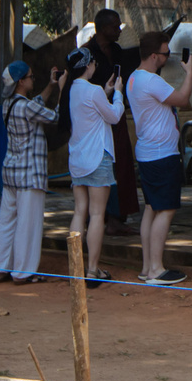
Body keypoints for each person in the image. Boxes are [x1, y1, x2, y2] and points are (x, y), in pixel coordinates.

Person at [126, 29, 192, 285]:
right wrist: (189, 73)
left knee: (151, 208)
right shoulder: (151, 81)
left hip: (147, 152)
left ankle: (148, 267)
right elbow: (183, 99)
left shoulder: (133, 78)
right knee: (165, 209)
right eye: (166, 54)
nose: (168, 58)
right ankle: (156, 268)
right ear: (155, 55)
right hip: (161, 154)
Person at [0, 59, 65, 284]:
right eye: (31, 77)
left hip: (11, 172)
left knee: (6, 221)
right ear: (21, 81)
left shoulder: (8, 104)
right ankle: (23, 272)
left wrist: (50, 87)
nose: (34, 79)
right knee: (28, 224)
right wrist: (62, 90)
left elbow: (36, 104)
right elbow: (55, 116)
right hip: (30, 174)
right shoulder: (28, 107)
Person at [64, 42, 124, 286]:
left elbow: (94, 109)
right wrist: (117, 93)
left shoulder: (74, 90)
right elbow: (114, 115)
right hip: (97, 157)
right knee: (97, 215)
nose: (95, 65)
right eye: (93, 62)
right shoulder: (93, 91)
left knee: (80, 211)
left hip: (78, 158)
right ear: (88, 65)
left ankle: (76, 269)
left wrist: (106, 92)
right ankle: (92, 270)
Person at [90, 8, 142, 237]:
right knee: (98, 167)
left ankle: (116, 216)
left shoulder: (118, 51)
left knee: (121, 164)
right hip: (93, 120)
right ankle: (97, 216)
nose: (118, 30)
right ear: (101, 28)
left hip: (115, 114)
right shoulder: (87, 54)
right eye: (114, 26)